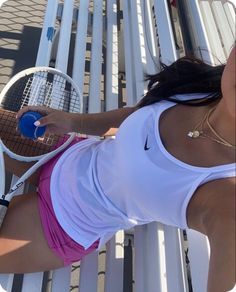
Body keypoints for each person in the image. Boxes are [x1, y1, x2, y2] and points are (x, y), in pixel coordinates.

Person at [0, 46, 235, 292]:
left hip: (62, 225)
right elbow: (136, 116)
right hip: (64, 152)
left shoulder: (226, 196)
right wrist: (72, 121)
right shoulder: (205, 90)